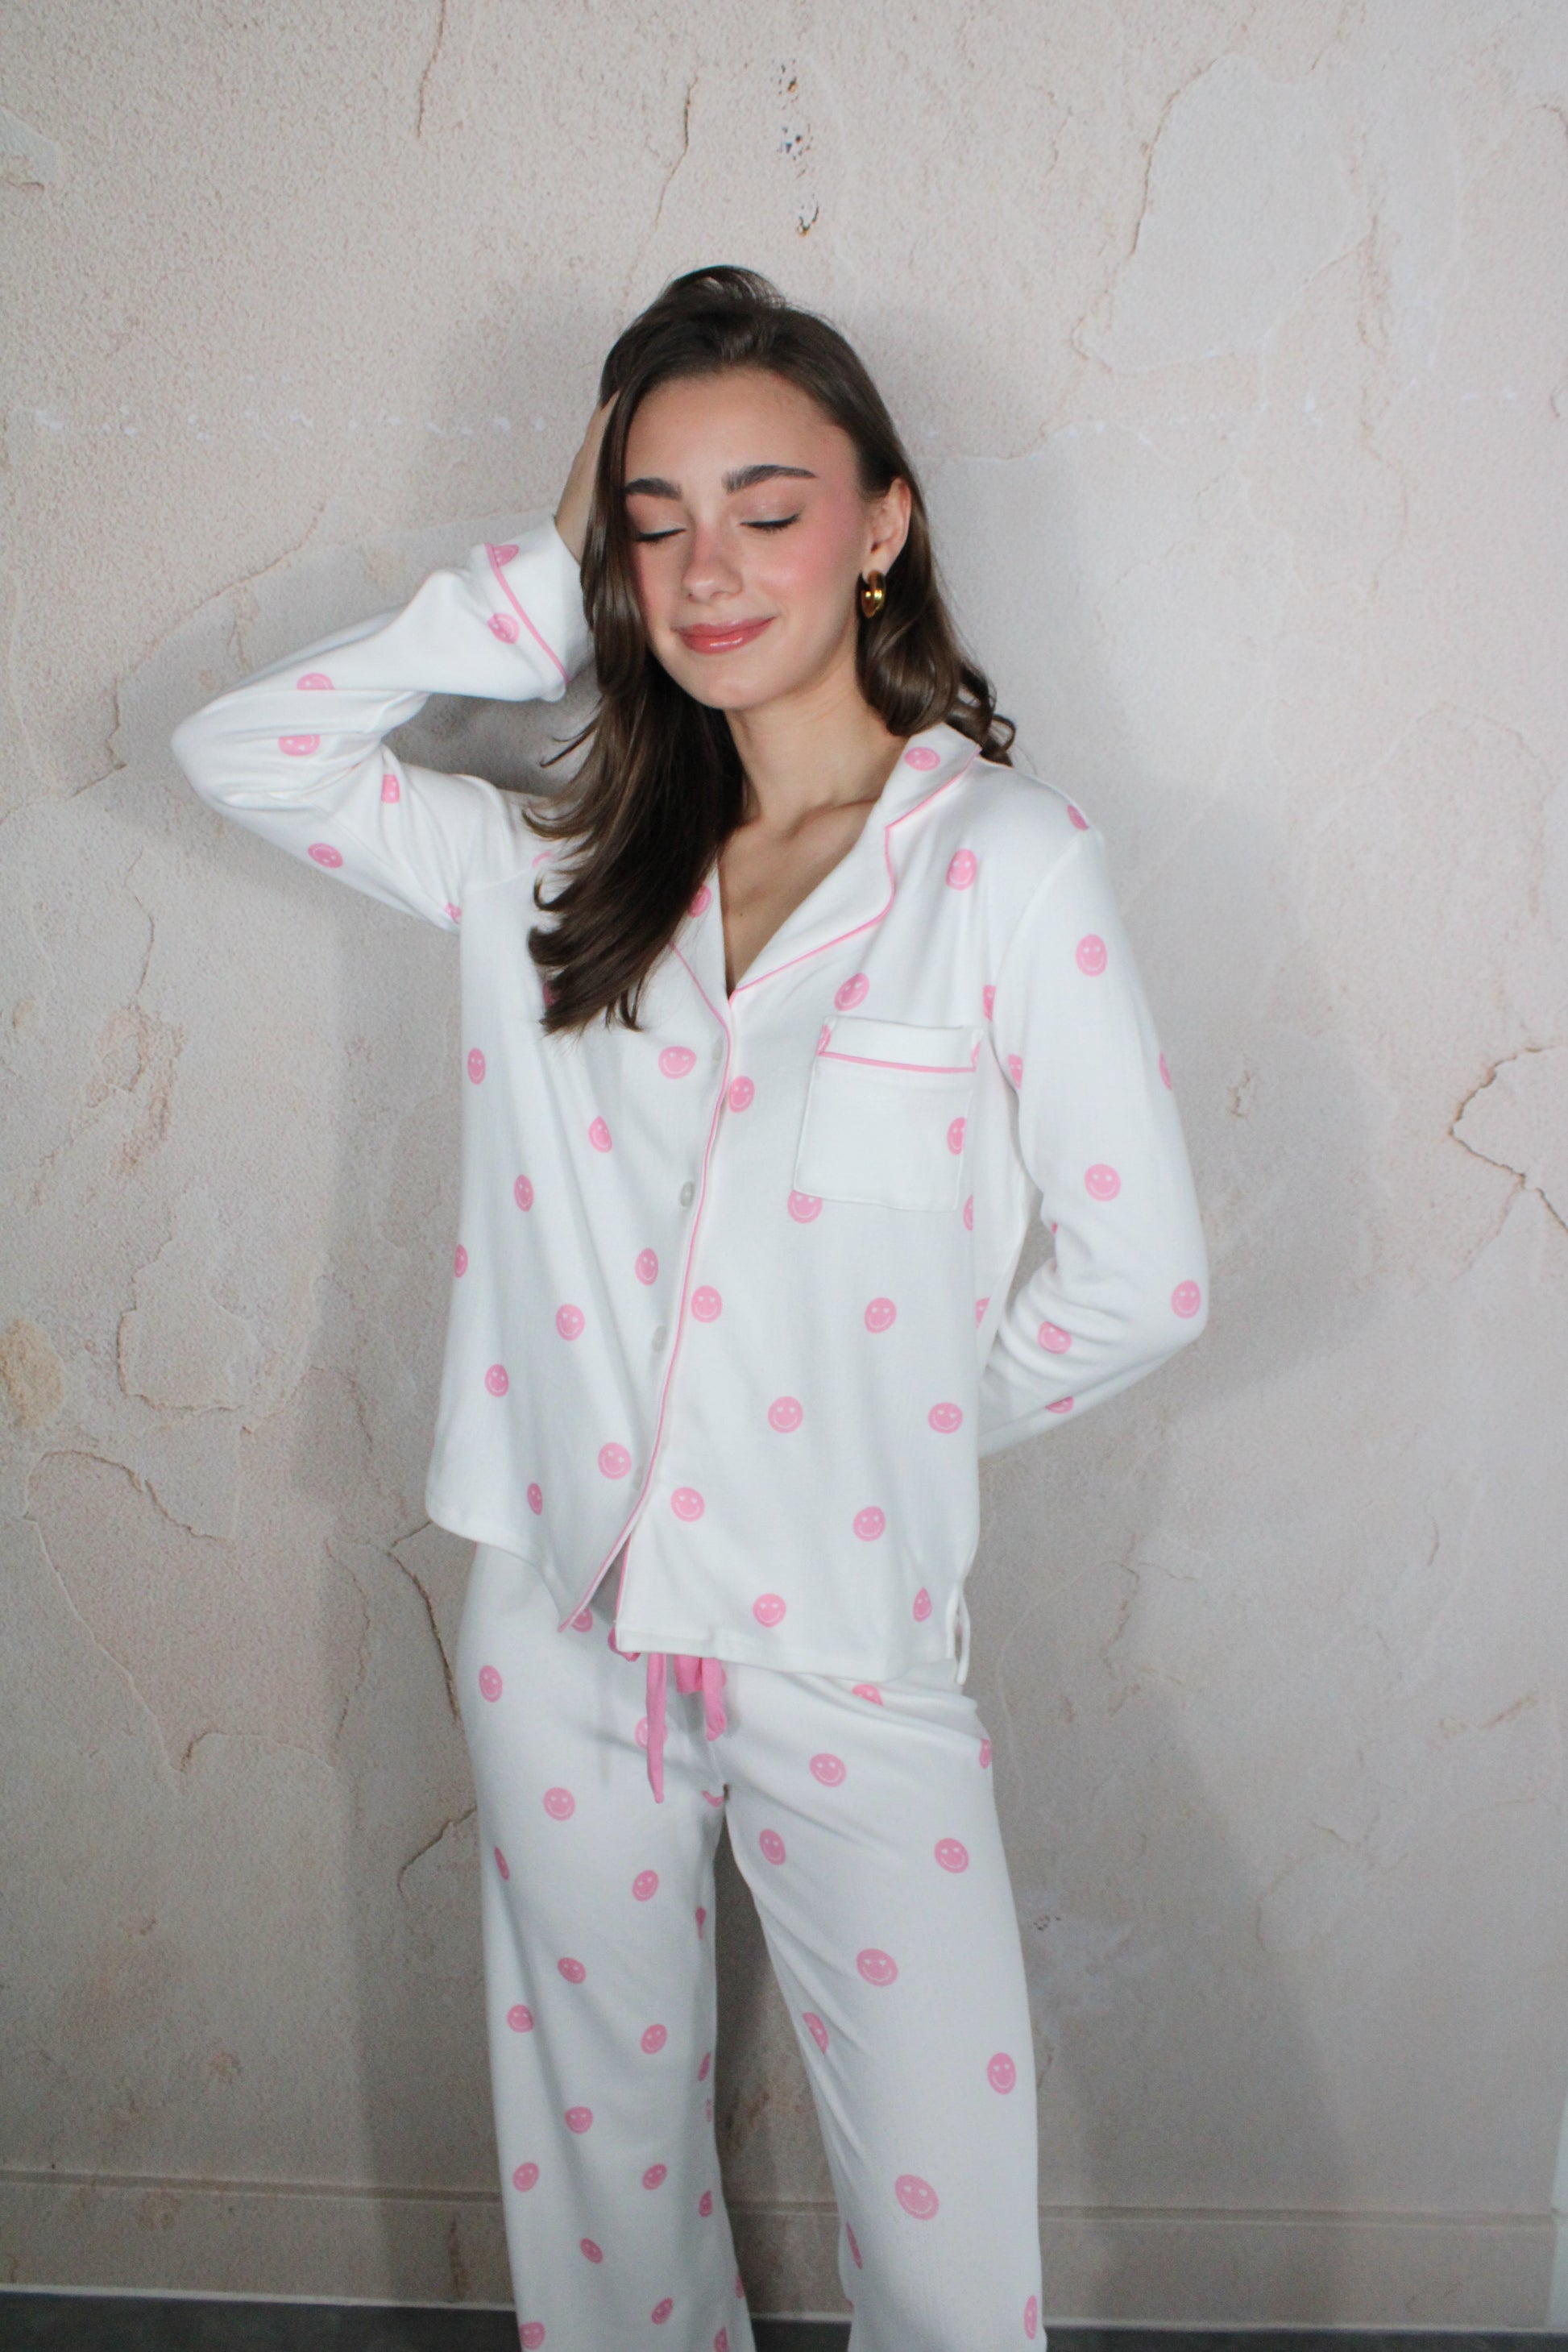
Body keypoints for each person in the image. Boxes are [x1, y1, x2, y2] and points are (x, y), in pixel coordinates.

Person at [172, 263, 1209, 2352]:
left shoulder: (1000, 864)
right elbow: (238, 750)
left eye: (766, 506)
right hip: (560, 1620)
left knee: (947, 2264)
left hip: (843, 1643)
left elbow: (1141, 1280)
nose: (709, 568)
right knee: (604, 2209)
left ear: (882, 522)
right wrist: (522, 594)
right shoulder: (554, 861)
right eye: (653, 521)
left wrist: (879, 1436)